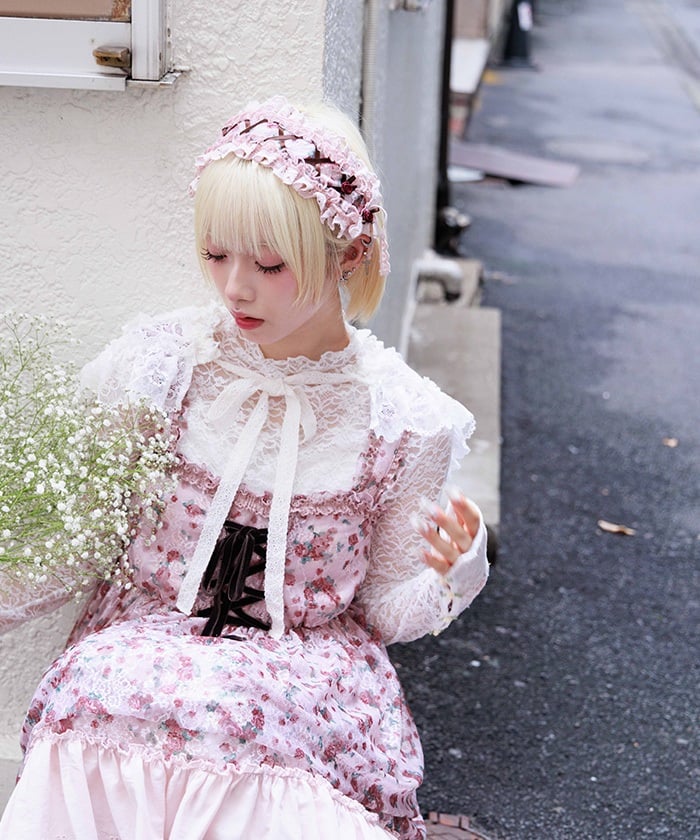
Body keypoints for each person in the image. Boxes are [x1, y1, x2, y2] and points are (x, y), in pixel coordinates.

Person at [0, 95, 488, 840]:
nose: (235, 287)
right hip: (147, 640)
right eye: (216, 255)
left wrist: (456, 573)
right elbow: (82, 536)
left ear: (349, 255)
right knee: (100, 694)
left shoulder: (403, 419)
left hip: (300, 669)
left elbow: (386, 608)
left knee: (241, 724)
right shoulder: (161, 366)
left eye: (268, 264)